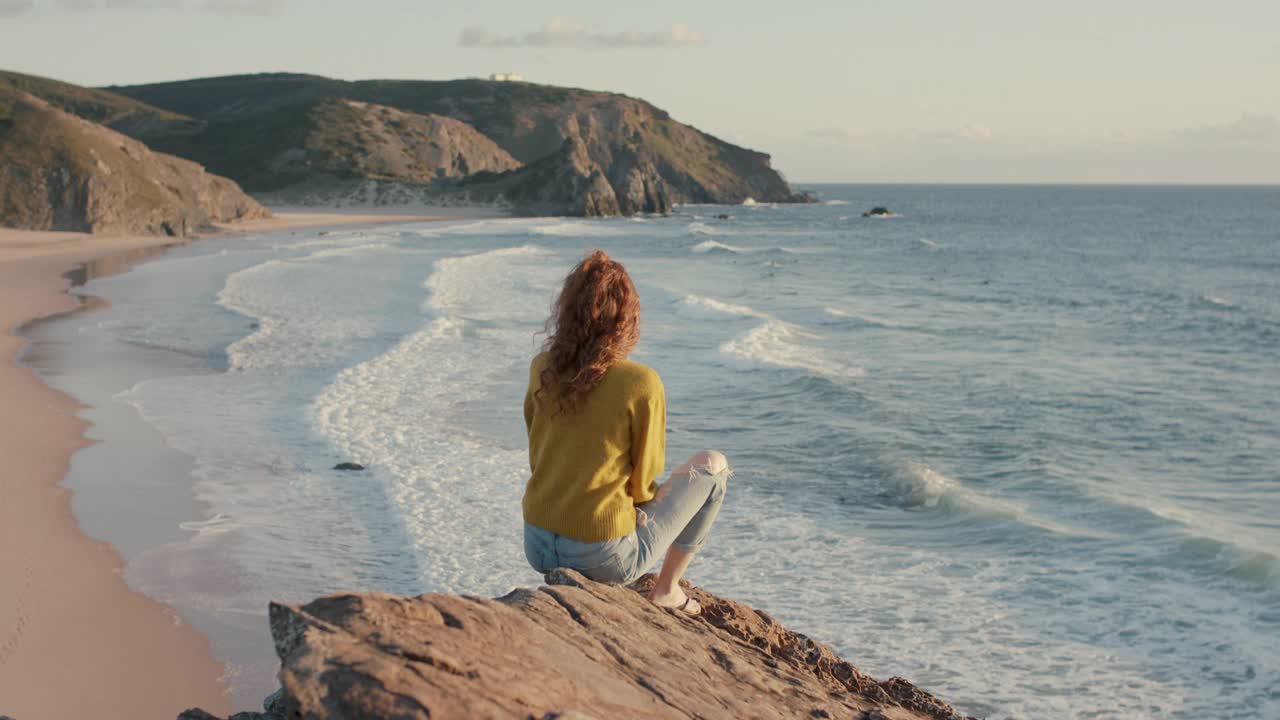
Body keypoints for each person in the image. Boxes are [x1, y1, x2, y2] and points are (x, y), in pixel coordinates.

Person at [522, 249, 731, 615]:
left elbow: (537, 449)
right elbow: (642, 481)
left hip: (537, 543)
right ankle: (666, 589)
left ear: (568, 312)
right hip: (602, 558)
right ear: (627, 318)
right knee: (714, 468)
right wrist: (630, 510)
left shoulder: (543, 367)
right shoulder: (640, 382)